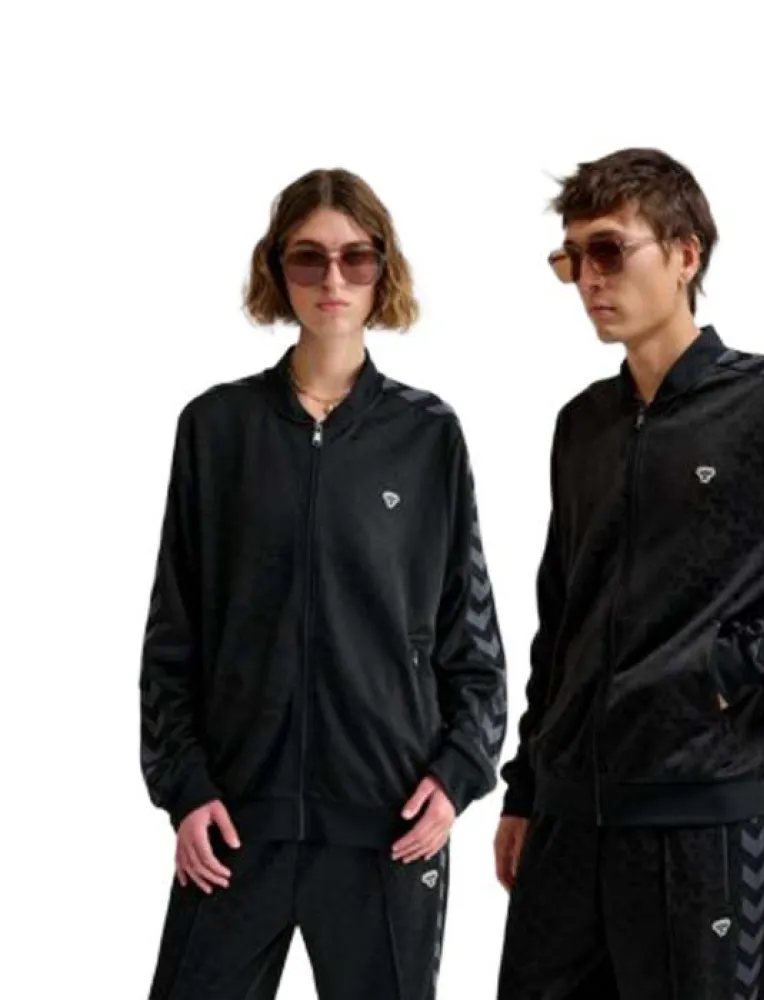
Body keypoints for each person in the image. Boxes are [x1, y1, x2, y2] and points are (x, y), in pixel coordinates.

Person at [494, 148, 764, 999]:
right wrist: (524, 789)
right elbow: (561, 621)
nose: (589, 279)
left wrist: (740, 663)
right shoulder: (582, 424)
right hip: (565, 823)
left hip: (698, 828)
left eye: (609, 249)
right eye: (572, 259)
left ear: (685, 254)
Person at [140, 167, 507, 999]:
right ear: (278, 270)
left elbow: (471, 637)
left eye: (355, 257)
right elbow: (174, 633)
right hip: (234, 823)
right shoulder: (216, 428)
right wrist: (184, 788)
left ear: (383, 270)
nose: (332, 279)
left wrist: (456, 776)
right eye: (308, 258)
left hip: (388, 825)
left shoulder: (428, 435)